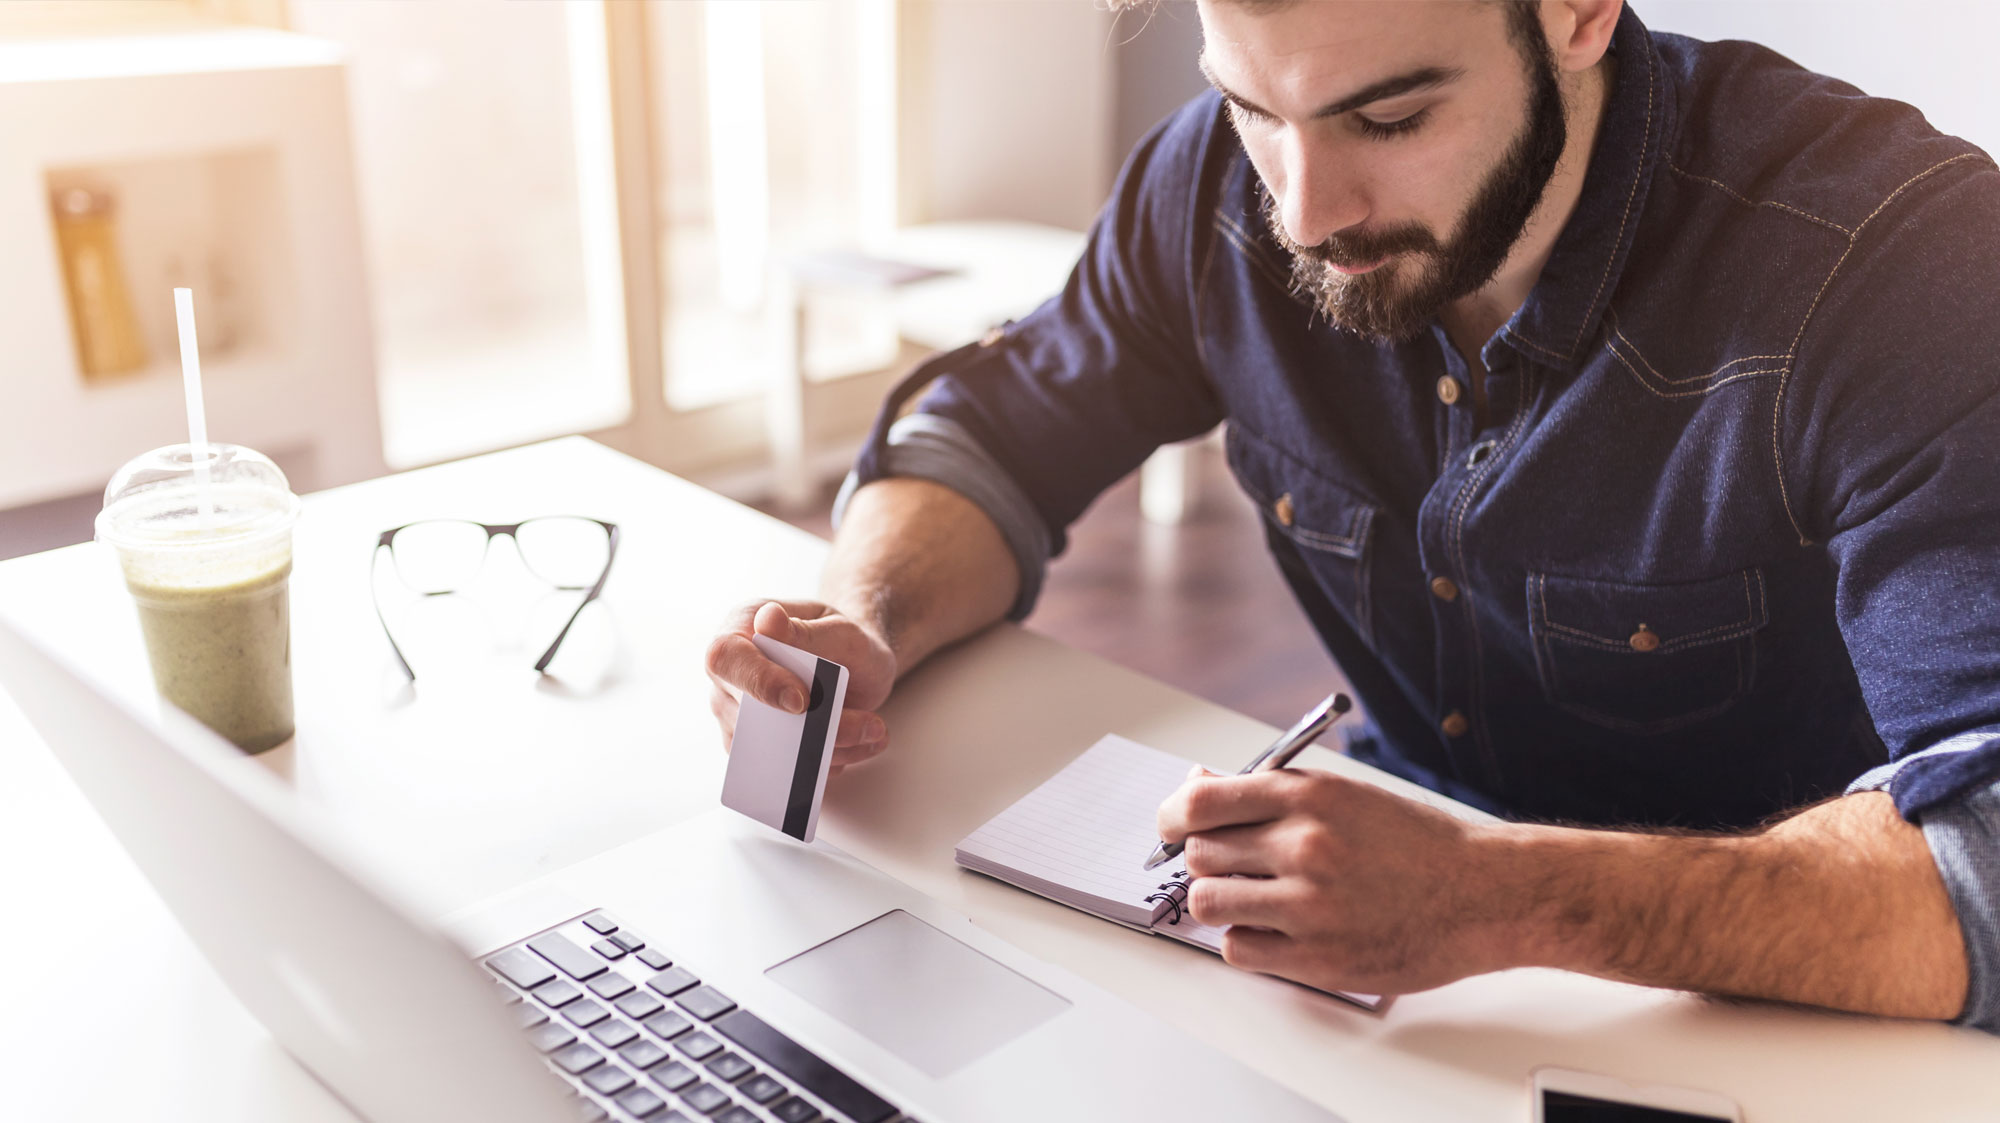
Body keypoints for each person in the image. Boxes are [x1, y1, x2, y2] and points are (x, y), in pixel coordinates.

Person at [704, 0, 2000, 1033]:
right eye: (1253, 105)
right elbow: (990, 429)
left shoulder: (1901, 267)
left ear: (1579, 13)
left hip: (1806, 1009)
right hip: (1387, 955)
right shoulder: (1221, 190)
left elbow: (1985, 860)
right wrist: (867, 614)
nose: (1307, 213)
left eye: (1389, 115)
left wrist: (1505, 899)